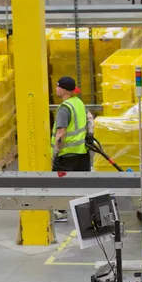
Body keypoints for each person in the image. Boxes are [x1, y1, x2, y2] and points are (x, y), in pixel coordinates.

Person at [52, 76, 93, 222]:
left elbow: (61, 132)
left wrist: (55, 153)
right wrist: (90, 135)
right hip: (81, 152)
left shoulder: (64, 109)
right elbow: (90, 118)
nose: (55, 89)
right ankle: (88, 213)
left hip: (67, 155)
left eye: (57, 87)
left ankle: (61, 212)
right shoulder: (78, 103)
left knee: (60, 184)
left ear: (63, 90)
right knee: (82, 183)